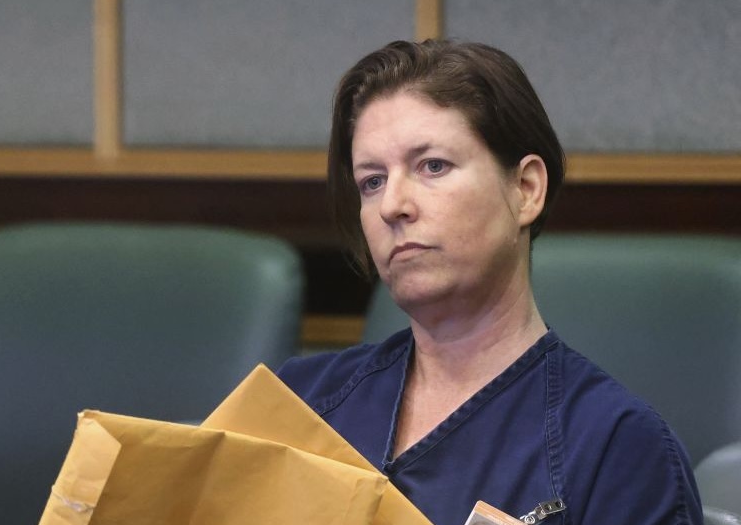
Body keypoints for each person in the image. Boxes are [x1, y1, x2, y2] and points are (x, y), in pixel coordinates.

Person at [278, 40, 702, 525]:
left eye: (432, 166)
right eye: (372, 181)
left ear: (526, 190)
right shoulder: (298, 403)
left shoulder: (616, 446)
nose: (392, 204)